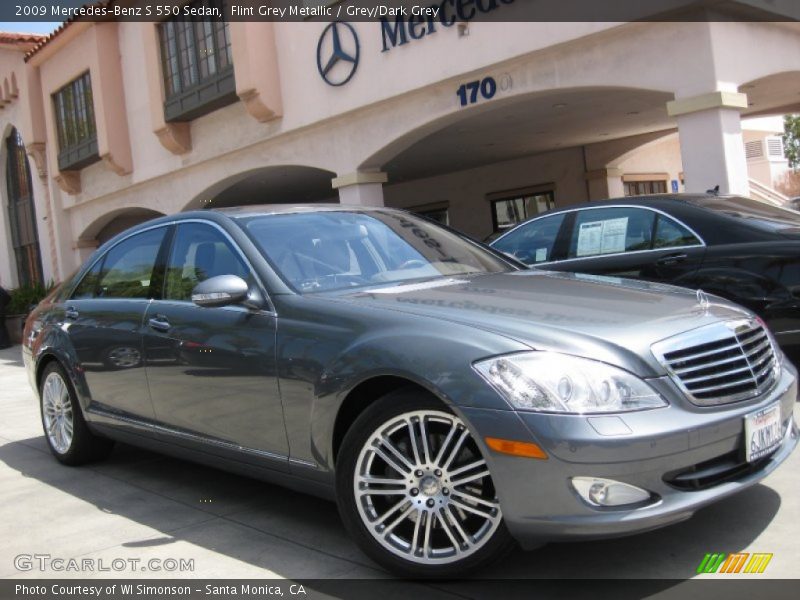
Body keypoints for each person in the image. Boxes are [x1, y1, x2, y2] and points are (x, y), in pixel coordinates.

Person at [0, 284, 11, 349]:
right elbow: (8, 298)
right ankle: (6, 343)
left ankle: (3, 344)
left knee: (1, 327)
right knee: (2, 326)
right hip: (2, 311)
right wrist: (3, 304)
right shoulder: (1, 290)